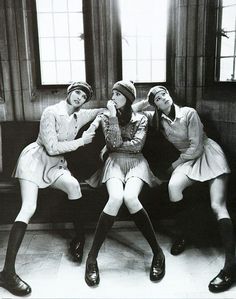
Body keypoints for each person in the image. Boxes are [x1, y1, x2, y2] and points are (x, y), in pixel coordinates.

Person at [0, 82, 105, 296]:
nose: (79, 98)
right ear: (69, 93)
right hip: (35, 161)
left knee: (74, 186)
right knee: (28, 207)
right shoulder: (51, 112)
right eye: (77, 92)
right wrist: (81, 141)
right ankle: (7, 273)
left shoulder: (79, 115)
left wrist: (131, 106)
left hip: (56, 165)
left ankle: (79, 238)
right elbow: (51, 147)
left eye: (84, 96)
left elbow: (102, 110)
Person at [132, 85, 236, 293]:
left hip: (207, 154)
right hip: (187, 161)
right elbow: (132, 111)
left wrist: (172, 166)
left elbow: (196, 147)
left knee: (218, 205)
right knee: (173, 188)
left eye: (165, 94)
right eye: (159, 99)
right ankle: (184, 233)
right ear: (156, 105)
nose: (164, 98)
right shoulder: (158, 118)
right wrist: (148, 100)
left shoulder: (189, 112)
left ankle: (231, 266)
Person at [84, 80, 165, 287]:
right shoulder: (106, 116)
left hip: (137, 163)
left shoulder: (141, 118)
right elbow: (112, 145)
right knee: (115, 198)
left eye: (118, 94)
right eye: (112, 93)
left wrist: (117, 145)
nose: (113, 97)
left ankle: (158, 253)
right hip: (113, 163)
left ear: (128, 98)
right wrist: (112, 118)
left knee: (130, 197)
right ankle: (91, 259)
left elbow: (137, 146)